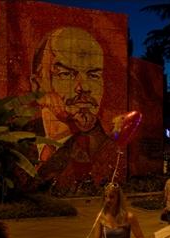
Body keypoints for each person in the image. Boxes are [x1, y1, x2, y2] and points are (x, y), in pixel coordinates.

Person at [30, 27, 115, 191]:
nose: (84, 87)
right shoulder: (18, 137)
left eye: (94, 75)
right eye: (65, 74)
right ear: (37, 85)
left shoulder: (106, 148)